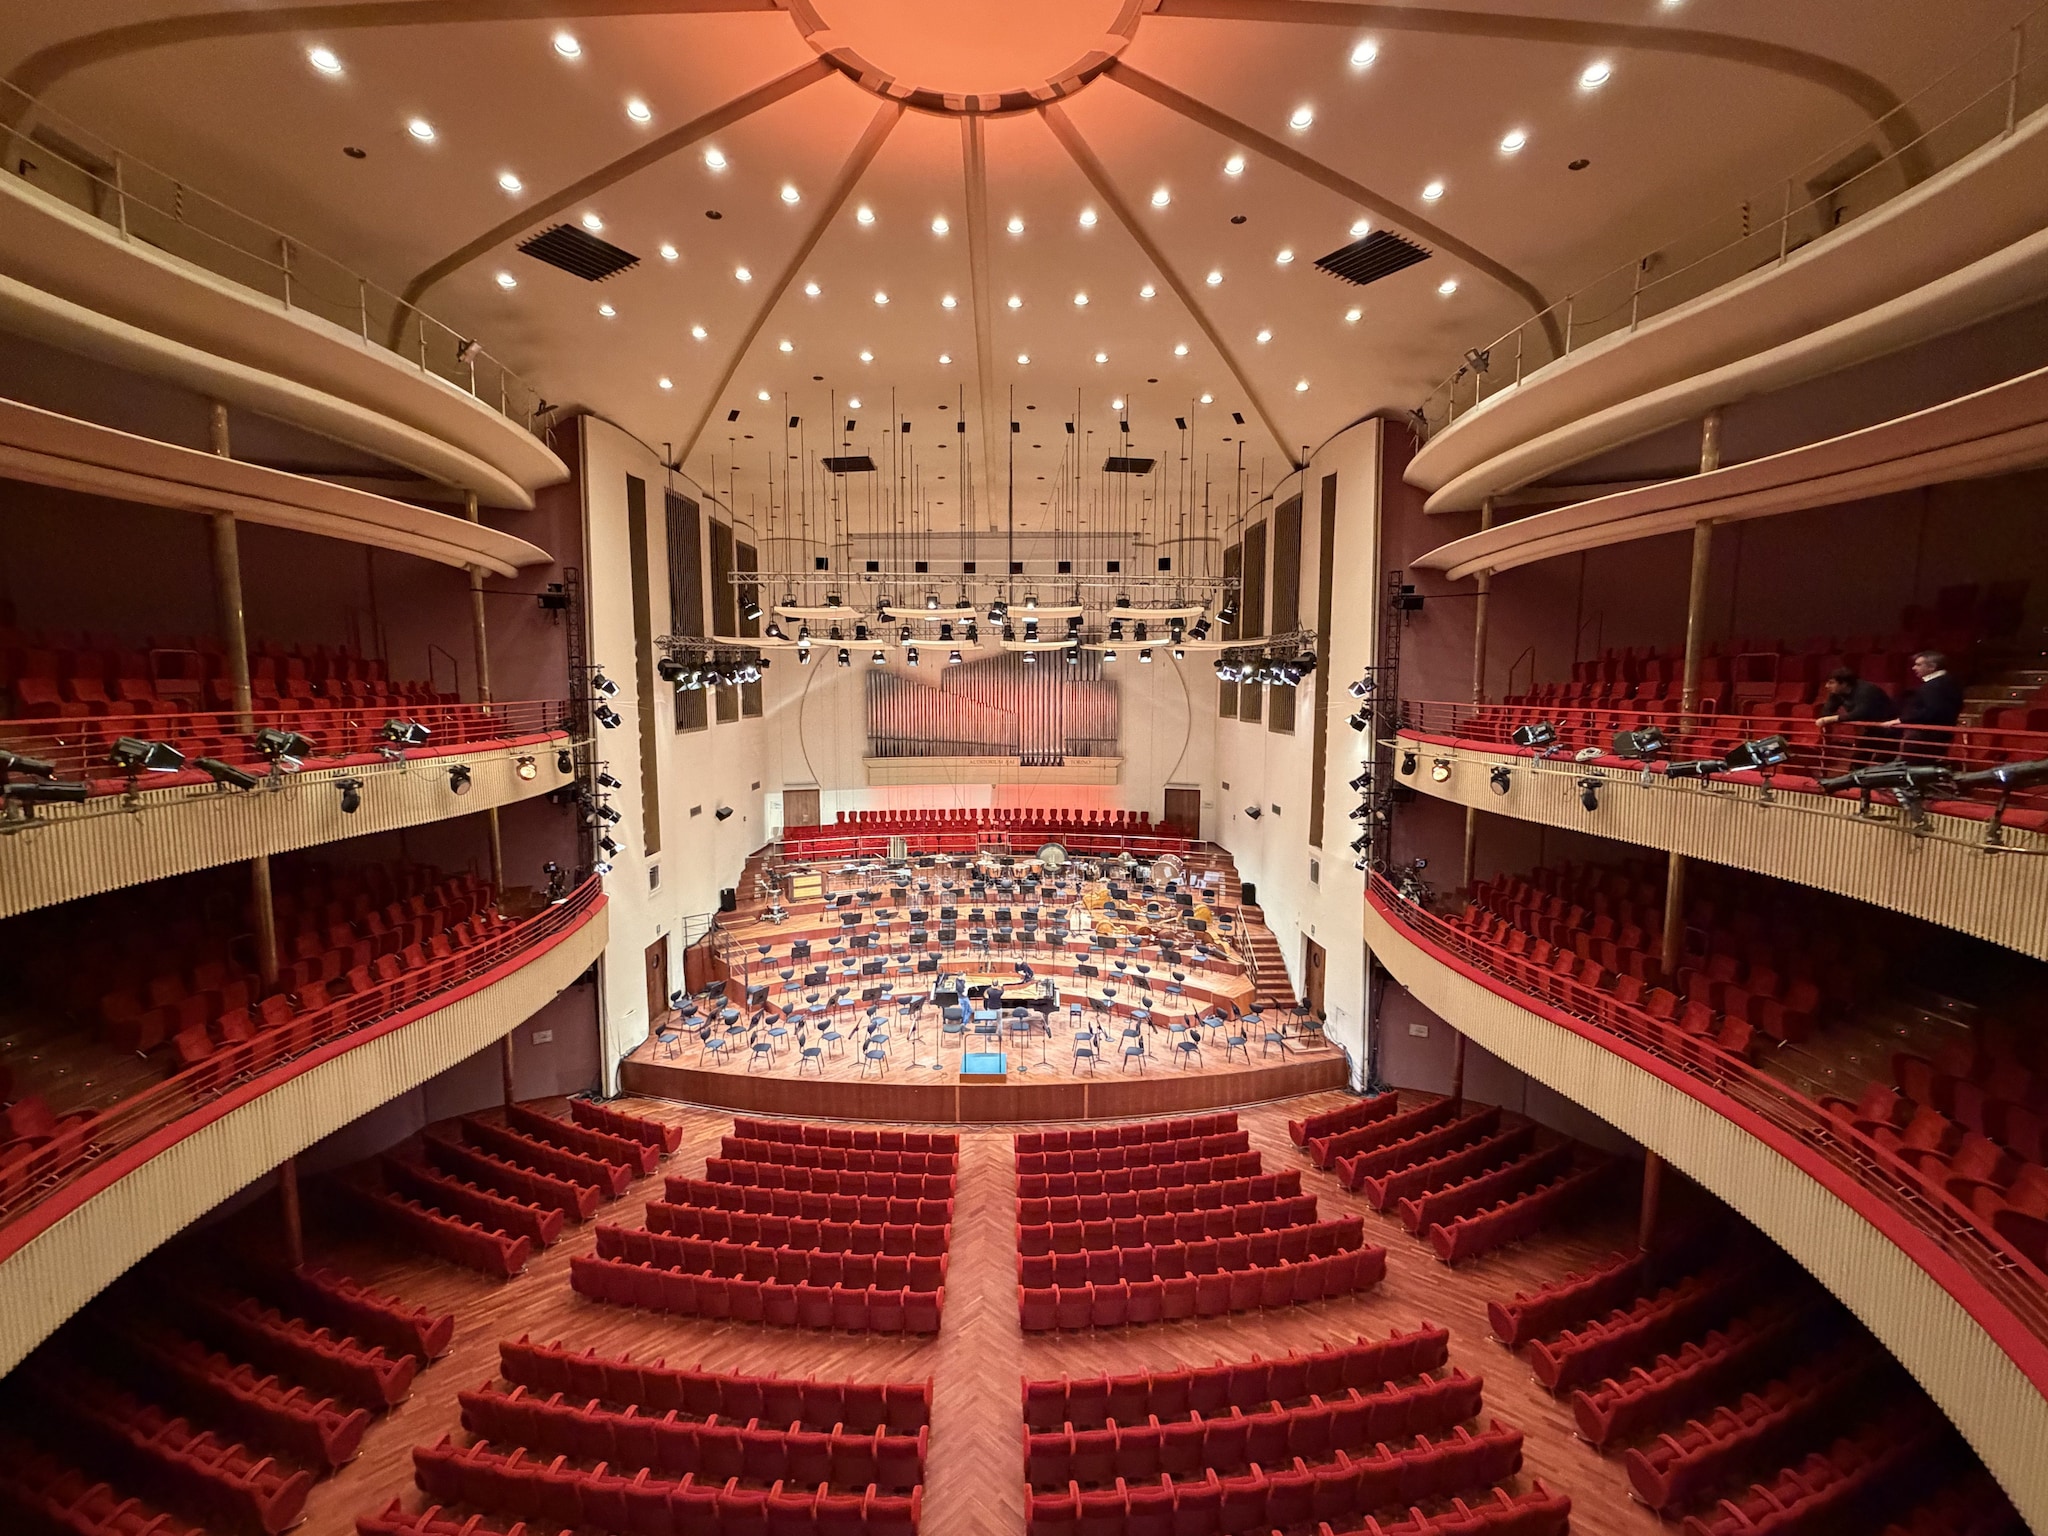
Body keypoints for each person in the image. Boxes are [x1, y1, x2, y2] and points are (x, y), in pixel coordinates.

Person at [1882, 650, 1964, 762]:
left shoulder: (1935, 686)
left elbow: (1932, 711)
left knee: (1914, 767)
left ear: (1932, 667)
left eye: (1918, 665)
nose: (1914, 668)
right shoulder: (1948, 681)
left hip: (1926, 737)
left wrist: (1902, 720)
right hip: (1936, 735)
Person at [1814, 668, 1893, 727]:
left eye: (1831, 683)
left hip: (1886, 727)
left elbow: (1859, 713)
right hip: (1866, 728)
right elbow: (1826, 711)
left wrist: (1831, 719)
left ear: (1844, 684)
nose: (1826, 686)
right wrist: (1826, 718)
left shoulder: (1866, 690)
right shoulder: (1837, 692)